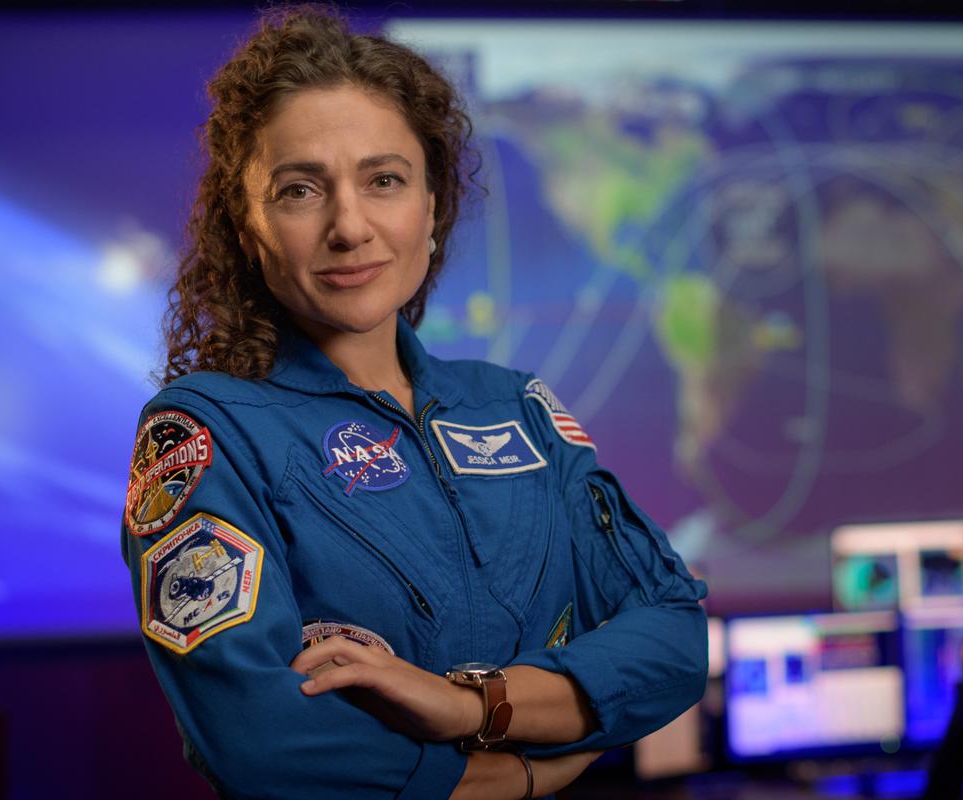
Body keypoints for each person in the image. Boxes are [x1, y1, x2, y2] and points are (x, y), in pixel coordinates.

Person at [121, 7, 708, 798]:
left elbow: (672, 633)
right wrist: (508, 781)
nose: (350, 226)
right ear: (249, 226)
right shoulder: (205, 432)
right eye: (300, 190)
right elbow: (259, 738)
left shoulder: (517, 408)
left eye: (384, 180)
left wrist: (471, 705)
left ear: (432, 208)